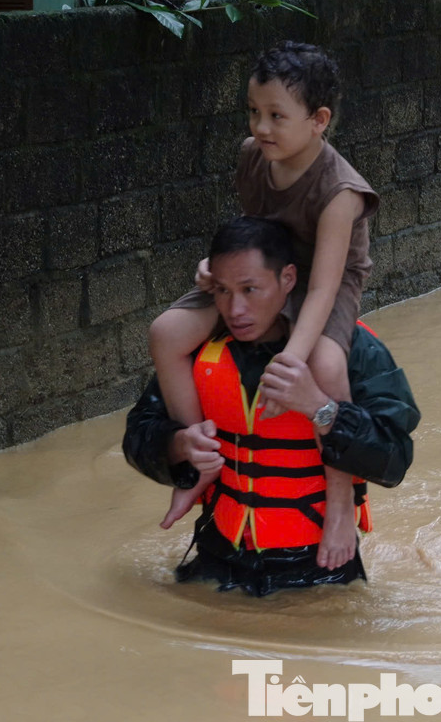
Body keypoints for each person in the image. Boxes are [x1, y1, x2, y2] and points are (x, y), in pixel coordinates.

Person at [148, 41, 378, 570]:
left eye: (277, 116)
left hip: (323, 279)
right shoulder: (252, 157)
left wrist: (291, 359)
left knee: (325, 364)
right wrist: (218, 268)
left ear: (319, 120)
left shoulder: (340, 191)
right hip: (263, 274)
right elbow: (250, 235)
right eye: (254, 112)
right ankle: (202, 459)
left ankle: (340, 501)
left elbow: (321, 288)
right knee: (166, 332)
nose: (262, 127)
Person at [122, 217, 419, 597]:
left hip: (318, 568)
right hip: (218, 557)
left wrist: (321, 409)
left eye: (251, 289)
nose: (236, 309)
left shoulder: (349, 350)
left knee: (275, 661)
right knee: (212, 659)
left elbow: (394, 461)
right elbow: (139, 434)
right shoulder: (201, 350)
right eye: (224, 292)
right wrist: (177, 444)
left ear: (288, 280)